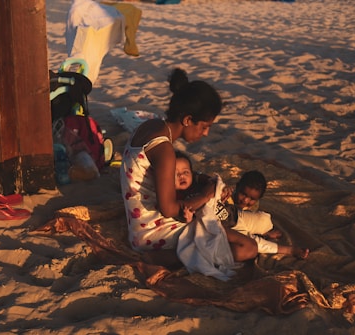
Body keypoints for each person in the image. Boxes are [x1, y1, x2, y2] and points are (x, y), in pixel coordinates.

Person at [120, 68, 258, 263]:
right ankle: (163, 257)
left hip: (138, 222)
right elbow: (168, 209)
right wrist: (205, 195)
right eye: (204, 126)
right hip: (150, 232)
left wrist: (200, 178)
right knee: (248, 248)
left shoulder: (151, 126)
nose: (206, 133)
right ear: (187, 120)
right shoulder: (164, 150)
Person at [174, 158, 309, 260]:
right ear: (237, 187)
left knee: (260, 230)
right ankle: (288, 250)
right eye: (243, 194)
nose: (245, 200)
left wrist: (264, 232)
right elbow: (194, 214)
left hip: (234, 221)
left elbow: (215, 185)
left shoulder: (249, 207)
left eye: (251, 199)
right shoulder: (224, 195)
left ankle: (280, 244)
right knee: (253, 242)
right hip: (222, 225)